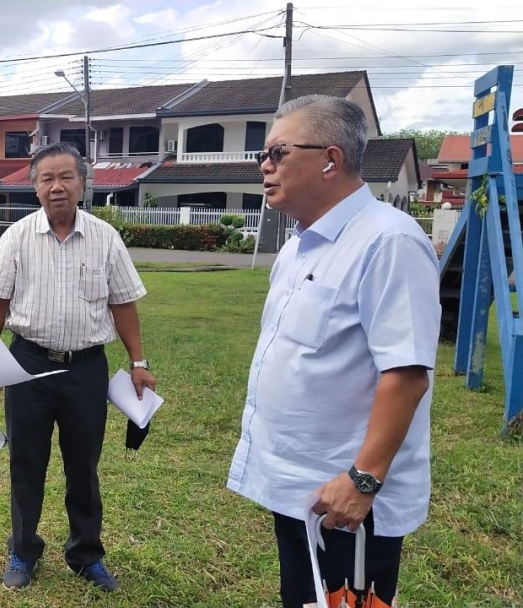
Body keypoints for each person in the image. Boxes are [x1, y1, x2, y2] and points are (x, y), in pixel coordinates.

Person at [227, 94, 441, 608]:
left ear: (329, 159)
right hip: (302, 487)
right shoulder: (299, 245)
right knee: (303, 598)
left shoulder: (388, 242)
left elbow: (407, 373)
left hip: (347, 497)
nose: (264, 165)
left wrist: (362, 480)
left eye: (277, 152)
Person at [0, 141, 156, 593]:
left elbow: (124, 304)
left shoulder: (104, 237)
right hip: (29, 364)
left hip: (86, 370)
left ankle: (86, 554)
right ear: (34, 186)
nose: (57, 187)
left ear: (82, 183)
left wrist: (138, 362)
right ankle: (23, 550)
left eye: (66, 178)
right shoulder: (16, 238)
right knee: (26, 462)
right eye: (46, 179)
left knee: (84, 465)